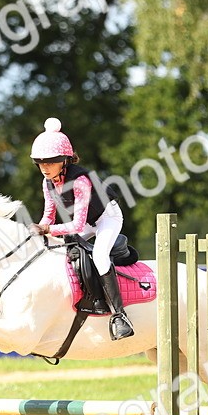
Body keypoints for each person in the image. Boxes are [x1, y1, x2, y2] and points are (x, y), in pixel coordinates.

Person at [28, 117, 134, 340]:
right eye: (40, 163)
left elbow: (76, 225)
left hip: (108, 217)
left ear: (64, 161)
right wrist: (40, 233)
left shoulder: (80, 181)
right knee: (61, 250)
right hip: (86, 220)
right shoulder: (47, 182)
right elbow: (49, 215)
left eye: (51, 162)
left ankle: (120, 316)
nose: (45, 167)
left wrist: (46, 229)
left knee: (100, 256)